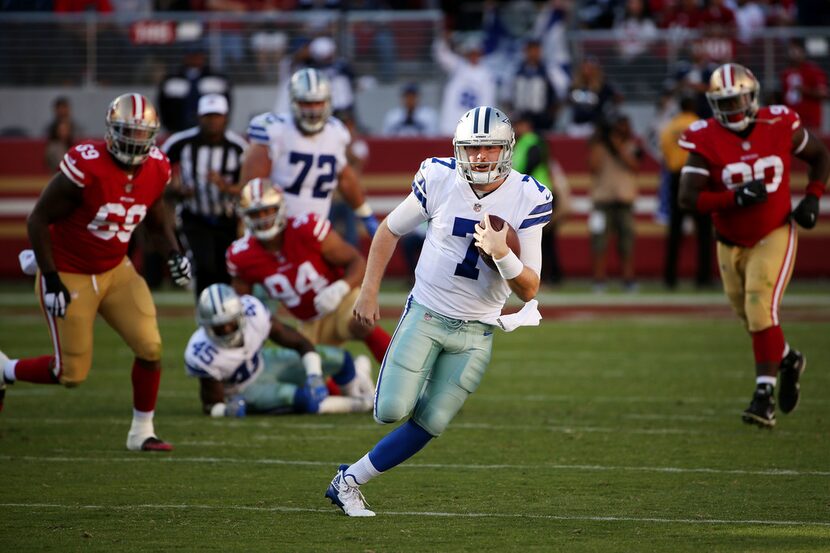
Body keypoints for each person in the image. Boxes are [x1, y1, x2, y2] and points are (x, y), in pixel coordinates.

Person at [324, 106, 550, 517]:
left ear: (507, 149)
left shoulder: (528, 195)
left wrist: (503, 256)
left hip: (478, 329)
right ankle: (371, 380)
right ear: (458, 149)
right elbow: (389, 229)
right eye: (472, 149)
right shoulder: (440, 177)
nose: (480, 157)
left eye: (490, 148)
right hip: (428, 313)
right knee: (389, 410)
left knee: (432, 422)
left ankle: (349, 481)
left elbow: (529, 288)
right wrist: (368, 292)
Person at [0, 93, 192, 451]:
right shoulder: (86, 164)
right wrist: (52, 277)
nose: (134, 141)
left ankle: (141, 433)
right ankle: (4, 370)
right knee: (70, 374)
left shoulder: (158, 167)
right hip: (70, 271)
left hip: (115, 269)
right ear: (111, 130)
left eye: (141, 134)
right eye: (127, 132)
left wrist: (174, 253)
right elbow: (38, 219)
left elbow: (154, 217)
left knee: (150, 347)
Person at [678, 63, 830, 428]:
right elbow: (688, 197)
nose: (733, 108)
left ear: (753, 96)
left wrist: (813, 196)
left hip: (774, 230)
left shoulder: (779, 123)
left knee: (760, 306)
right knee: (750, 316)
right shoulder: (705, 136)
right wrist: (733, 198)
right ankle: (789, 358)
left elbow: (821, 156)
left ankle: (764, 396)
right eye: (725, 102)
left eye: (739, 100)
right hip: (728, 239)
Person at [226, 178, 392, 365]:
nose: (263, 218)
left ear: (280, 208)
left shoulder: (306, 228)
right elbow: (244, 306)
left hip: (342, 302)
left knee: (360, 323)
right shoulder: (241, 256)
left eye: (268, 210)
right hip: (309, 322)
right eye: (256, 213)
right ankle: (357, 377)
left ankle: (402, 375)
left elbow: (357, 261)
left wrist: (340, 288)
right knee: (314, 373)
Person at [186, 283, 373, 417]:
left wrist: (314, 375)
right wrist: (226, 410)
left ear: (241, 316)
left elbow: (300, 344)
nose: (226, 330)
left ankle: (354, 391)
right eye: (219, 327)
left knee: (341, 359)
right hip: (247, 389)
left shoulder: (253, 312)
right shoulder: (202, 352)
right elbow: (210, 404)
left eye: (230, 323)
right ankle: (361, 404)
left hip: (266, 362)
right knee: (307, 400)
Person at [239, 67, 379, 237]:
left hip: (316, 230)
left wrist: (366, 214)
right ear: (293, 102)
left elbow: (345, 179)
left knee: (349, 259)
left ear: (328, 102)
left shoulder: (336, 132)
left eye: (318, 102)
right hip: (276, 231)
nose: (313, 109)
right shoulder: (274, 130)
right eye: (306, 103)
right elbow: (252, 187)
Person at [162, 93, 248, 298]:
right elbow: (156, 173)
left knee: (227, 268)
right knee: (205, 265)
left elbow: (249, 187)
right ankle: (204, 311)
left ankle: (226, 310)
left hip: (227, 218)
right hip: (194, 216)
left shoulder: (238, 147)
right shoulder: (180, 143)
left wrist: (225, 187)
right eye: (208, 116)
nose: (212, 121)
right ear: (199, 117)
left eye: (216, 116)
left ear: (226, 117)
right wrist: (175, 190)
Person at [660, 94, 713, 289]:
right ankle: (703, 277)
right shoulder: (700, 125)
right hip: (697, 177)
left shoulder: (670, 127)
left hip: (675, 177)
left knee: (675, 230)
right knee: (704, 231)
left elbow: (664, 149)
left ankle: (670, 277)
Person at [587, 113, 642, 292]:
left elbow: (635, 166)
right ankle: (599, 280)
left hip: (624, 201)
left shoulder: (632, 146)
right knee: (599, 243)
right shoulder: (600, 146)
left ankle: (628, 280)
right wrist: (599, 144)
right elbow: (593, 168)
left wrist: (618, 148)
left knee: (627, 244)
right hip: (602, 202)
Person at [512, 113, 565, 284]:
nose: (516, 128)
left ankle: (552, 275)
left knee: (544, 237)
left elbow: (529, 165)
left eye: (519, 124)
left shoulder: (533, 141)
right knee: (540, 237)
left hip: (540, 194)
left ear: (527, 125)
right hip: (531, 194)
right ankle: (551, 275)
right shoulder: (521, 143)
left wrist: (513, 182)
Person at [157, 44, 232, 134]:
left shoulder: (217, 79)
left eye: (197, 55)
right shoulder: (171, 79)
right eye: (191, 55)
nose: (195, 58)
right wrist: (169, 127)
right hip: (178, 129)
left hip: (209, 131)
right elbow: (163, 105)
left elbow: (226, 103)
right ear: (185, 57)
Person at [433, 33, 497, 136]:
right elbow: (442, 54)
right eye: (471, 53)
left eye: (476, 53)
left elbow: (488, 102)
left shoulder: (487, 75)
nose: (474, 56)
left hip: (473, 127)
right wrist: (443, 40)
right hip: (452, 122)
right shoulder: (458, 66)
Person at [781, 38, 828, 134]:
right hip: (791, 119)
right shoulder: (785, 73)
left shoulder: (812, 70)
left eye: (796, 50)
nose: (793, 54)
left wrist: (805, 90)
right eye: (791, 50)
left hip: (810, 120)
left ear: (803, 52)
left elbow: (824, 93)